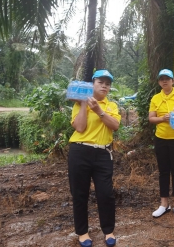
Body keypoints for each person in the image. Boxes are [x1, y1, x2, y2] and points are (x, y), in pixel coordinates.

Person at [68, 70, 121, 247]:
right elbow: (80, 128)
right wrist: (84, 104)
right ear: (93, 84)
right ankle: (82, 233)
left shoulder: (111, 106)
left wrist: (99, 111)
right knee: (79, 193)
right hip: (79, 152)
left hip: (103, 154)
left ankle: (109, 231)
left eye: (108, 83)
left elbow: (115, 126)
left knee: (106, 194)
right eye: (101, 82)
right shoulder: (78, 103)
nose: (105, 85)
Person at [149, 69, 174, 219]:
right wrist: (162, 119)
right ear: (159, 82)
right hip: (161, 138)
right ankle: (163, 204)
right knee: (163, 171)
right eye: (162, 79)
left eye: (168, 79)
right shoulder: (155, 98)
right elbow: (151, 118)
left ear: (173, 81)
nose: (164, 81)